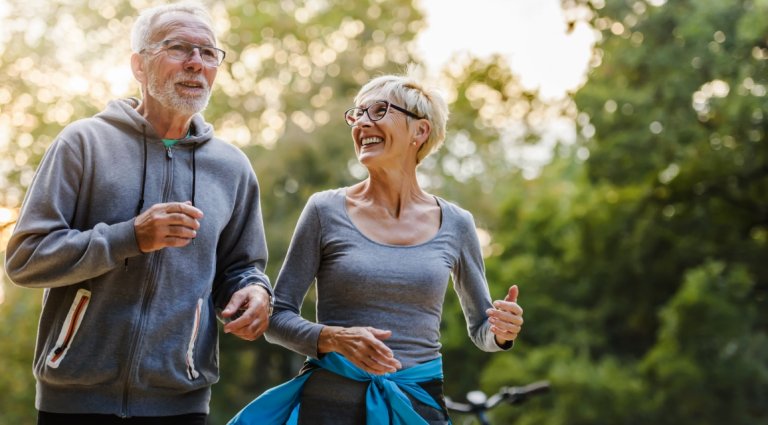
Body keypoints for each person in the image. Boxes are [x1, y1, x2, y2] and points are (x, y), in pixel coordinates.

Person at [4, 2, 273, 424]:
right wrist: (129, 238)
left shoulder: (232, 167)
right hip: (74, 402)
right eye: (179, 48)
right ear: (139, 65)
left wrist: (255, 293)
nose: (196, 63)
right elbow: (25, 259)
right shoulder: (83, 144)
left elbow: (243, 268)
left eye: (208, 53)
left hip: (180, 402)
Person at [228, 74, 524, 425]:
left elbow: (482, 331)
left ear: (420, 131)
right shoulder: (324, 210)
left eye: (380, 111)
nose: (363, 123)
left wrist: (501, 333)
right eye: (358, 114)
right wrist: (334, 338)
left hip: (418, 406)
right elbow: (276, 319)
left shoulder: (457, 223)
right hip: (328, 407)